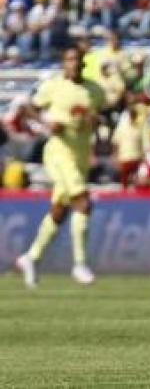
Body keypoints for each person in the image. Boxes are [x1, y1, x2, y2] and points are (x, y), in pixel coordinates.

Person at [15, 46, 105, 288]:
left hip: (81, 154)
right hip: (58, 152)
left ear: (83, 63)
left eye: (77, 59)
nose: (73, 63)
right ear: (63, 63)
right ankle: (80, 264)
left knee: (60, 210)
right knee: (83, 202)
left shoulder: (94, 90)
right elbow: (27, 109)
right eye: (69, 59)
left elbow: (99, 117)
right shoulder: (53, 86)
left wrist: (95, 121)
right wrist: (46, 124)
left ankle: (31, 258)